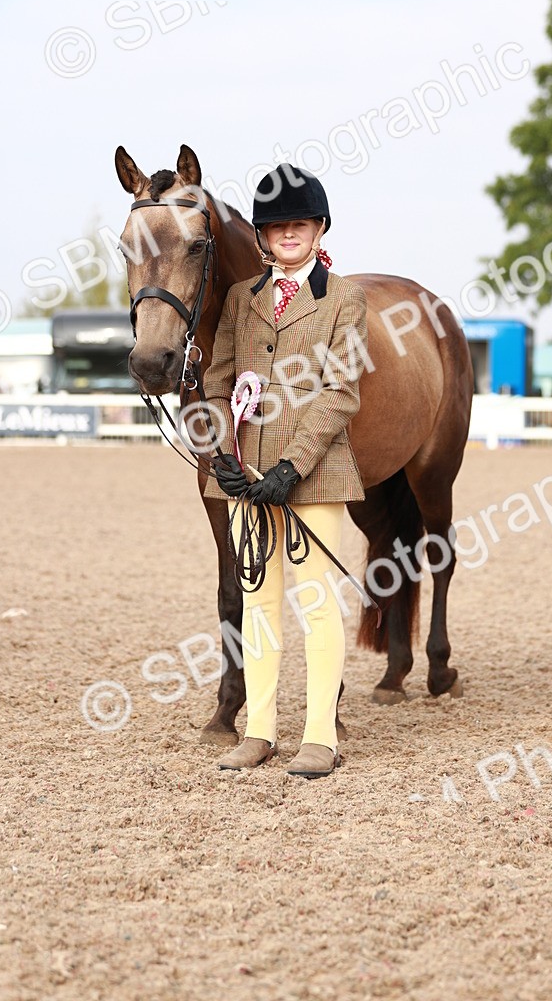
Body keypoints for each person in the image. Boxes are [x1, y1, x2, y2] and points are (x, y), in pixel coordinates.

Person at [203, 164, 368, 779]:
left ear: (319, 229)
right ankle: (259, 730)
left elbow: (341, 391)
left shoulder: (344, 298)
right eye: (277, 227)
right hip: (247, 474)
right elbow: (219, 379)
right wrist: (223, 453)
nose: (288, 234)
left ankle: (320, 735)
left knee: (317, 603)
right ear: (263, 237)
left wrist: (292, 467)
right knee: (257, 603)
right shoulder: (241, 299)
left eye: (299, 224)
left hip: (313, 474)